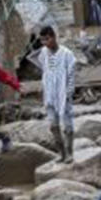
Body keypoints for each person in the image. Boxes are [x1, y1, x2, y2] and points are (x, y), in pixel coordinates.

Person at [33, 25, 78, 162]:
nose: (45, 43)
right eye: (42, 40)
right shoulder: (43, 53)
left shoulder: (67, 54)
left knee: (68, 126)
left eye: (47, 39)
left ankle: (70, 153)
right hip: (50, 94)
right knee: (53, 125)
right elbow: (45, 71)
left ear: (53, 37)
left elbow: (71, 75)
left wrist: (69, 92)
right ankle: (61, 153)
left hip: (63, 94)